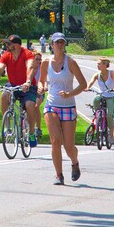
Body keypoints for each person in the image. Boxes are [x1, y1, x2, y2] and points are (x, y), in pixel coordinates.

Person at [39, 32, 87, 185]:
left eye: (62, 42)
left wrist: (69, 94)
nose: (60, 45)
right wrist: (42, 87)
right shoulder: (46, 62)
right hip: (52, 104)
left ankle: (74, 162)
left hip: (68, 106)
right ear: (51, 45)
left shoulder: (70, 62)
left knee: (68, 146)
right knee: (55, 140)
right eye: (57, 43)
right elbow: (41, 81)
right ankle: (58, 175)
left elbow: (83, 84)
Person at [0, 34, 39, 148]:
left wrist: (27, 81)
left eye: (9, 43)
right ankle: (7, 127)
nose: (6, 46)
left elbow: (30, 67)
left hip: (27, 86)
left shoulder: (27, 54)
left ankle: (31, 133)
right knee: (4, 96)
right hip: (13, 84)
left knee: (30, 105)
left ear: (16, 45)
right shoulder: (6, 55)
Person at [86, 57, 114, 145]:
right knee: (96, 99)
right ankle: (98, 116)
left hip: (110, 96)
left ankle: (111, 136)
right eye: (97, 64)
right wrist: (87, 87)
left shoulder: (111, 73)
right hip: (101, 95)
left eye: (99, 64)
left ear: (105, 65)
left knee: (109, 115)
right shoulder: (97, 74)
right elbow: (91, 82)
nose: (98, 65)